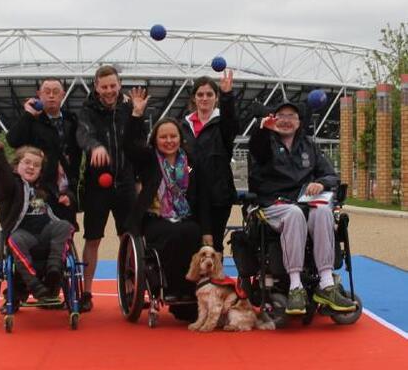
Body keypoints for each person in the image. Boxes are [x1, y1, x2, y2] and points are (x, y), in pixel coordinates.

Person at [248, 101, 356, 315]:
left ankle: (326, 283)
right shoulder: (265, 141)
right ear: (274, 119)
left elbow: (330, 175)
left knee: (325, 208)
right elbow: (257, 150)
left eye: (292, 116)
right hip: (275, 203)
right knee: (294, 213)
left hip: (304, 202)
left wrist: (322, 183)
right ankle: (295, 287)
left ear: (299, 123)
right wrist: (262, 128)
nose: (287, 120)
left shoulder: (308, 145)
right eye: (282, 115)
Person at [76, 65, 144, 312]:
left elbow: (139, 142)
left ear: (119, 84)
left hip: (125, 182)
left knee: (128, 238)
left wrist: (138, 178)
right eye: (104, 87)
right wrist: (94, 147)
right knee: (92, 239)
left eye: (113, 86)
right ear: (96, 87)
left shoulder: (129, 108)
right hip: (98, 185)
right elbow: (83, 134)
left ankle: (130, 288)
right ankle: (86, 292)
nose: (109, 91)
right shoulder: (87, 110)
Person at [123, 105, 202, 318]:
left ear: (180, 138)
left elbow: (196, 188)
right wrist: (136, 115)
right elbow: (129, 146)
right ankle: (170, 289)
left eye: (173, 136)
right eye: (163, 137)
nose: (169, 141)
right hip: (154, 217)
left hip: (184, 216)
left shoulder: (189, 162)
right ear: (155, 140)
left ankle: (188, 292)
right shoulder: (149, 160)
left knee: (193, 232)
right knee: (172, 234)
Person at [0, 134, 74, 308]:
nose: (31, 167)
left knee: (64, 226)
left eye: (36, 165)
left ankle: (54, 270)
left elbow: (66, 193)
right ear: (16, 166)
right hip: (22, 233)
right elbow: (3, 177)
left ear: (41, 170)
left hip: (45, 233)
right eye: (27, 163)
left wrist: (68, 199)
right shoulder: (12, 186)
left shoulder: (45, 187)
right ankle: (34, 285)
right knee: (15, 240)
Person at [6, 78, 81, 227]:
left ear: (63, 95)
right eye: (47, 92)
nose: (51, 95)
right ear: (39, 95)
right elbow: (13, 140)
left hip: (64, 189)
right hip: (39, 188)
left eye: (55, 92)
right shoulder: (31, 120)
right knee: (38, 229)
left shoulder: (72, 121)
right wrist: (28, 114)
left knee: (65, 231)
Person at [181, 70, 238, 254]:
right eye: (200, 94)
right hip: (189, 196)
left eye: (209, 94)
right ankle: (192, 282)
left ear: (216, 98)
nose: (204, 98)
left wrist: (228, 95)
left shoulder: (223, 124)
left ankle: (215, 282)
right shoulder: (183, 126)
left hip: (218, 195)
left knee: (214, 244)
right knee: (191, 243)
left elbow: (232, 122)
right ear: (193, 98)